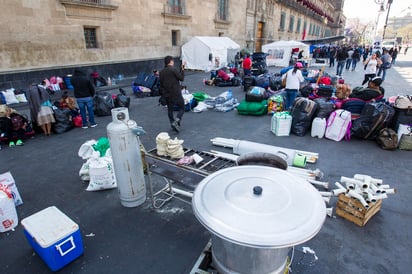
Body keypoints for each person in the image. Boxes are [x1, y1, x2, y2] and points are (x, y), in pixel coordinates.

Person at [159, 56, 185, 132]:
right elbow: (181, 78)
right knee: (182, 108)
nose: (173, 62)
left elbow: (161, 84)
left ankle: (172, 122)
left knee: (170, 110)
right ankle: (176, 121)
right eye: (172, 61)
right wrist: (183, 69)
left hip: (167, 94)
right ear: (170, 61)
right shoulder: (173, 70)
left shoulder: (161, 72)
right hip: (176, 93)